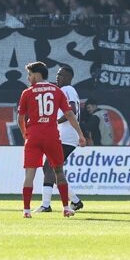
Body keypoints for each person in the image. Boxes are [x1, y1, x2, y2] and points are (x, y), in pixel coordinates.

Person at [16, 61, 87, 219]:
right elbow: (69, 113)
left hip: (34, 135)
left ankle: (27, 211)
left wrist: (25, 133)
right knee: (58, 170)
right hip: (52, 136)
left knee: (30, 174)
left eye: (29, 74)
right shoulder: (56, 91)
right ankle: (67, 208)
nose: (28, 78)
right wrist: (81, 134)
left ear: (37, 75)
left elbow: (20, 118)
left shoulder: (27, 92)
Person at [37, 65, 84, 213]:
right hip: (66, 136)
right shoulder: (67, 90)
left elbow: (72, 110)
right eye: (57, 74)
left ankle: (46, 204)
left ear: (69, 77)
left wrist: (54, 122)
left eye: (62, 75)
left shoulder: (67, 90)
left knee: (49, 167)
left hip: (66, 136)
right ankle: (76, 201)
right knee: (55, 169)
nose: (58, 77)